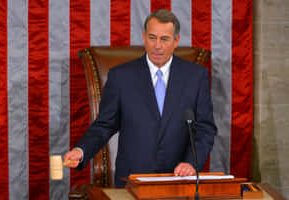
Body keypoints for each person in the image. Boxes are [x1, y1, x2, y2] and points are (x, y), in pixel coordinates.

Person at [64, 9, 217, 187]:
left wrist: (191, 163)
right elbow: (105, 124)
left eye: (164, 39)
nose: (157, 45)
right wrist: (81, 150)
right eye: (152, 38)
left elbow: (205, 129)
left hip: (178, 180)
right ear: (144, 37)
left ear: (176, 41)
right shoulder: (121, 77)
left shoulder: (195, 77)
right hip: (132, 181)